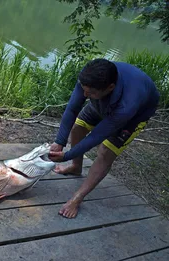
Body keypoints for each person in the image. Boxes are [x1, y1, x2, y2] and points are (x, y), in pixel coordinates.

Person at [48, 58, 160, 219]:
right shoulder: (90, 79)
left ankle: (77, 198)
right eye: (84, 90)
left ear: (110, 87)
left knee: (106, 151)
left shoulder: (127, 106)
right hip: (102, 102)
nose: (85, 95)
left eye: (90, 93)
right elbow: (72, 109)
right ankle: (76, 167)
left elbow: (96, 136)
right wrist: (60, 141)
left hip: (135, 116)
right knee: (78, 128)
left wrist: (66, 155)